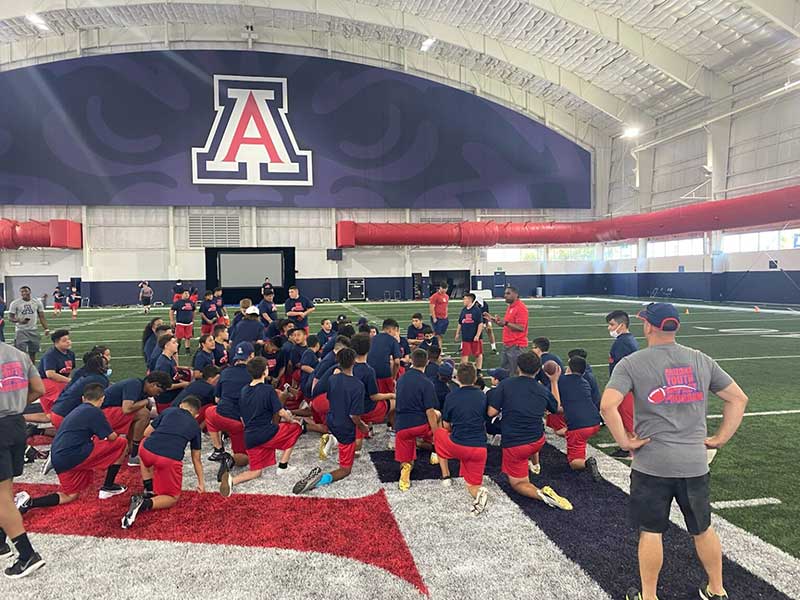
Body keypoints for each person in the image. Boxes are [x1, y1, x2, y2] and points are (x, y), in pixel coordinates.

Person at [600, 303, 748, 600]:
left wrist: (626, 442)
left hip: (652, 464)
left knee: (651, 531)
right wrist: (719, 438)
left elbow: (607, 405)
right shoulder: (700, 359)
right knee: (702, 529)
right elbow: (738, 399)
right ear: (675, 327)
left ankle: (650, 595)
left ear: (648, 326)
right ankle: (717, 589)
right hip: (694, 463)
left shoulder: (632, 363)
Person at [16, 383, 128, 516]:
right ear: (102, 399)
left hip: (59, 456)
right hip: (73, 454)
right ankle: (108, 486)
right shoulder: (94, 411)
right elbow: (111, 437)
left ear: (83, 398)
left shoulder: (77, 410)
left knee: (70, 495)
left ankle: (29, 502)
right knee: (122, 442)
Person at [487, 353, 572, 510]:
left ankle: (543, 495)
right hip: (537, 440)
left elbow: (491, 412)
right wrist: (554, 381)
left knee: (519, 483)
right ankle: (535, 464)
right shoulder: (541, 389)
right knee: (527, 447)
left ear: (518, 367)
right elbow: (556, 408)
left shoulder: (506, 385)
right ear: (538, 369)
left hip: (516, 443)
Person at [219, 357, 302, 496]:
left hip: (250, 437)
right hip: (266, 433)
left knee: (256, 471)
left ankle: (232, 481)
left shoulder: (244, 390)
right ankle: (283, 466)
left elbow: (241, 416)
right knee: (296, 428)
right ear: (265, 371)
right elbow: (280, 412)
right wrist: (292, 420)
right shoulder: (268, 390)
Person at [121, 395, 205, 529]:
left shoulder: (168, 411)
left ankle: (148, 489)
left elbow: (146, 433)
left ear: (181, 405)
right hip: (169, 459)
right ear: (196, 414)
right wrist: (201, 483)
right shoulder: (195, 426)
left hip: (147, 451)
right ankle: (143, 503)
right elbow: (196, 459)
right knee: (172, 498)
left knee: (145, 444)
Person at [293, 348, 367, 495]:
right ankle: (319, 480)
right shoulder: (358, 385)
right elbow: (354, 416)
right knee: (345, 469)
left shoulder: (333, 379)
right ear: (354, 362)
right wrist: (363, 427)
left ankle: (332, 439)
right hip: (345, 426)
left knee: (356, 443)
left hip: (332, 420)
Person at [0, 339, 45, 578]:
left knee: (0, 497)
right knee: (4, 491)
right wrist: (16, 404)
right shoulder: (18, 354)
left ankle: (27, 554)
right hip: (16, 424)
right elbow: (39, 389)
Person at [434, 363, 489, 514]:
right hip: (480, 448)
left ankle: (446, 476)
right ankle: (479, 493)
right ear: (475, 378)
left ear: (457, 378)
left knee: (439, 434)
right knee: (472, 484)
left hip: (459, 445)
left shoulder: (451, 395)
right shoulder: (482, 396)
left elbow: (445, 425)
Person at [101, 372, 172, 466]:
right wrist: (147, 401)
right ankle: (134, 454)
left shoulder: (142, 388)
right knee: (143, 414)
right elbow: (127, 409)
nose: (158, 395)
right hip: (102, 415)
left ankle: (129, 447)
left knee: (141, 412)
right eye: (159, 391)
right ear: (154, 384)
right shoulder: (134, 384)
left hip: (107, 414)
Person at [205, 342, 255, 471]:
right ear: (251, 356)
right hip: (236, 422)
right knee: (243, 459)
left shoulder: (226, 372)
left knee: (209, 411)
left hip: (218, 414)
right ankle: (230, 459)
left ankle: (218, 449)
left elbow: (217, 399)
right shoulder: (254, 374)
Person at [395, 349, 440, 491]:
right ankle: (435, 450)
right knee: (437, 414)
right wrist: (436, 434)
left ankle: (406, 469)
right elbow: (430, 411)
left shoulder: (401, 379)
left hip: (402, 427)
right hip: (420, 426)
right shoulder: (427, 383)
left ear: (411, 361)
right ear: (427, 362)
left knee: (407, 460)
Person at [559, 356, 602, 481]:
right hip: (594, 421)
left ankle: (587, 464)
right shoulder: (584, 382)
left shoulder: (561, 380)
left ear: (569, 368)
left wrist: (552, 381)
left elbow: (554, 404)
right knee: (570, 434)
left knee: (574, 463)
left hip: (580, 425)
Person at [351, 333, 395, 452]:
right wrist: (391, 395)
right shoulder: (368, 370)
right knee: (396, 403)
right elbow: (374, 396)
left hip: (350, 409)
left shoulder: (347, 366)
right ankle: (393, 437)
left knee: (356, 447)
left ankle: (368, 429)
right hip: (366, 410)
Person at [606, 310, 640, 456]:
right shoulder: (626, 340)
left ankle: (634, 452)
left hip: (625, 388)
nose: (609, 328)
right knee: (624, 419)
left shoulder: (623, 343)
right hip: (624, 387)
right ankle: (628, 448)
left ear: (621, 325)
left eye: (612, 324)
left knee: (627, 420)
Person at [49, 353, 109, 430]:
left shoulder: (82, 373)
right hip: (64, 416)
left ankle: (41, 432)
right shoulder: (99, 379)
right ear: (99, 367)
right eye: (105, 365)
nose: (107, 367)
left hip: (56, 411)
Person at [489, 286, 528, 374]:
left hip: (516, 346)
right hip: (508, 344)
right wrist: (494, 320)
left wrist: (506, 323)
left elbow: (521, 328)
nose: (505, 295)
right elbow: (506, 324)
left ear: (516, 295)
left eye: (508, 293)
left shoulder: (520, 308)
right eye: (505, 293)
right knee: (504, 372)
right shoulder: (511, 307)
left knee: (518, 373)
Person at [532, 337, 566, 435]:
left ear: (538, 348)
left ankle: (574, 431)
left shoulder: (538, 361)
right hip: (562, 390)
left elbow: (533, 380)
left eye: (533, 347)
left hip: (551, 392)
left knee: (558, 430)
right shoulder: (555, 357)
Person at [37, 329, 75, 414]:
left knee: (51, 416)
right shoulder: (50, 355)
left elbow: (70, 370)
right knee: (64, 401)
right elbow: (50, 374)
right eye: (64, 341)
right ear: (56, 343)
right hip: (46, 382)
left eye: (69, 339)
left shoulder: (70, 354)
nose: (68, 342)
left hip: (60, 381)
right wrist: (69, 381)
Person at [8, 286, 50, 362]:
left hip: (33, 330)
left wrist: (46, 328)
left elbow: (42, 316)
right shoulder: (15, 303)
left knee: (33, 352)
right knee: (21, 352)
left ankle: (32, 368)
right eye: (22, 292)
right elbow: (10, 318)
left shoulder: (36, 302)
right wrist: (19, 320)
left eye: (26, 291)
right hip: (21, 330)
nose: (24, 293)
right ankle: (22, 369)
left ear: (30, 292)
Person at [153, 335, 191, 413]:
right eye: (174, 343)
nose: (177, 344)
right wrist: (184, 384)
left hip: (173, 395)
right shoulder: (163, 364)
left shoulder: (170, 358)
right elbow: (165, 386)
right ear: (166, 346)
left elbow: (174, 375)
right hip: (167, 399)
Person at [455, 293, 485, 371]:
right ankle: (464, 370)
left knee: (478, 354)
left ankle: (478, 370)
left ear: (470, 299)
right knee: (464, 354)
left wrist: (477, 335)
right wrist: (457, 333)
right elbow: (460, 322)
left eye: (465, 299)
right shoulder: (463, 310)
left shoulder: (477, 310)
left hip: (474, 337)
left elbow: (480, 323)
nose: (463, 300)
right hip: (465, 337)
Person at [170, 290, 195, 355]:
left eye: (188, 293)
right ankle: (176, 348)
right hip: (180, 323)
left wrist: (193, 320)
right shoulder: (178, 302)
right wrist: (172, 320)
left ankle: (187, 350)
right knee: (179, 337)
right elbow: (171, 311)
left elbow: (193, 310)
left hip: (189, 323)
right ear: (182, 294)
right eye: (185, 293)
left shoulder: (191, 302)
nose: (187, 295)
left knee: (188, 337)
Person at [429, 283, 450, 348]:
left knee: (440, 335)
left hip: (444, 318)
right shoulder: (434, 296)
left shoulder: (446, 296)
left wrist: (446, 315)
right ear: (440, 288)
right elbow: (431, 307)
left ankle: (436, 347)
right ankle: (439, 349)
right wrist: (434, 317)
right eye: (442, 288)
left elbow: (446, 306)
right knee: (437, 334)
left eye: (445, 289)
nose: (444, 290)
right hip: (437, 318)